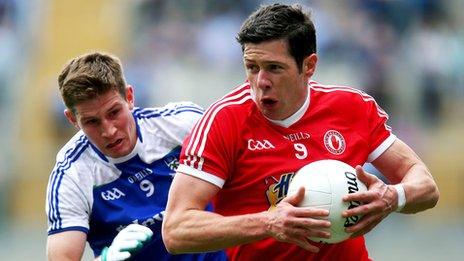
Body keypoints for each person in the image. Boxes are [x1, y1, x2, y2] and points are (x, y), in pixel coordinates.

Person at [162, 3, 439, 260]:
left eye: (274, 68)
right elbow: (176, 229)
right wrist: (268, 223)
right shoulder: (223, 121)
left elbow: (426, 187)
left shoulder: (352, 108)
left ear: (309, 66)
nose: (261, 82)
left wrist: (393, 197)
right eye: (252, 67)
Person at [45, 52, 226, 261]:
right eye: (92, 122)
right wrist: (105, 259)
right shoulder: (71, 175)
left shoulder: (184, 123)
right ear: (72, 120)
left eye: (114, 112)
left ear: (129, 97)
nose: (109, 131)